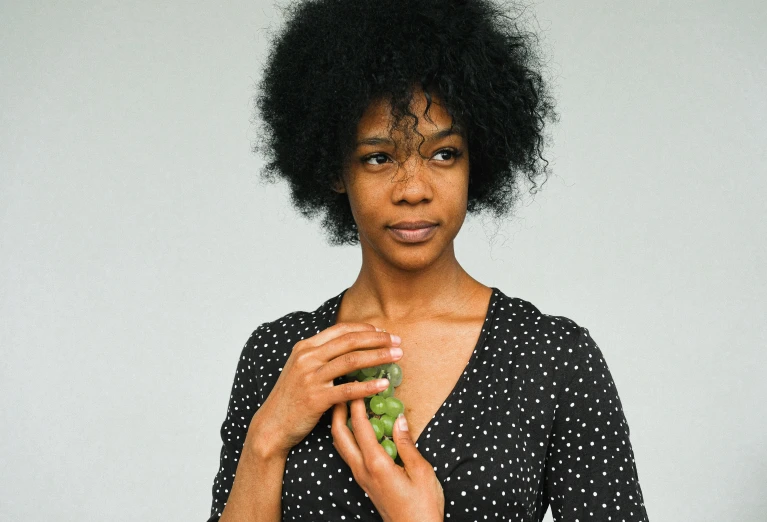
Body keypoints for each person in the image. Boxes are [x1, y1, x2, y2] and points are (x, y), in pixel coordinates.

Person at [207, 0, 649, 520]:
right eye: (378, 157)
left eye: (443, 154)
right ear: (334, 169)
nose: (413, 189)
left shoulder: (552, 358)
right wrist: (267, 437)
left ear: (476, 157)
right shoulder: (278, 355)